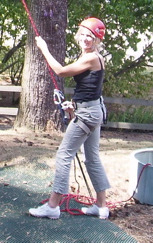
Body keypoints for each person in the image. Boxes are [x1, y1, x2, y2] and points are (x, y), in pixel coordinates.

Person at [28, 17, 111, 220]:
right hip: (92, 111)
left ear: (97, 39)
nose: (85, 39)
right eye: (82, 34)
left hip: (88, 114)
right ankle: (101, 206)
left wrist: (44, 49)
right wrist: (73, 105)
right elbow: (89, 89)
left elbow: (61, 71)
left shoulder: (91, 58)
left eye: (90, 36)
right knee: (92, 158)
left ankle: (53, 206)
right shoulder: (92, 57)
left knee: (64, 155)